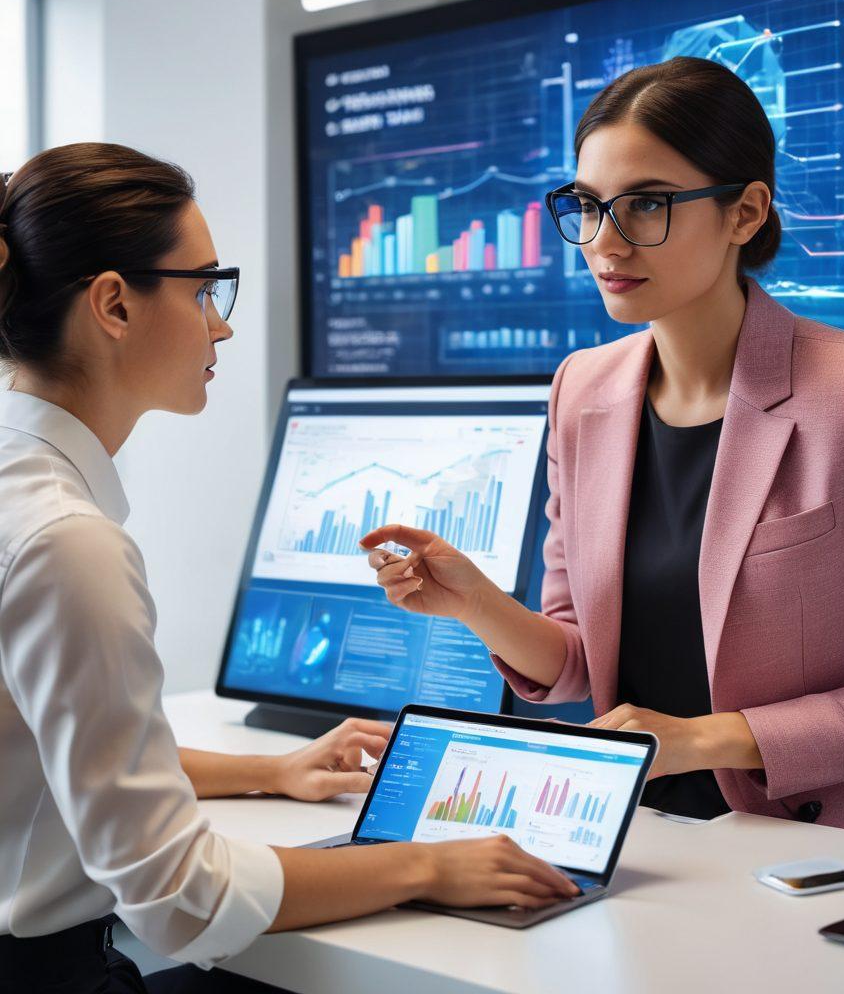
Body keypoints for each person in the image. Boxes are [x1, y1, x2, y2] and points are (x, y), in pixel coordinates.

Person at [0, 144, 578, 994]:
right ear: (114, 304)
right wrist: (427, 868)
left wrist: (271, 772)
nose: (222, 323)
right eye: (205, 289)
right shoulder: (66, 542)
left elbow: (59, 752)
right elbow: (177, 899)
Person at [363, 55, 844, 834]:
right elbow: (583, 661)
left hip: (816, 854)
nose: (605, 243)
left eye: (647, 205)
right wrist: (477, 604)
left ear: (745, 214)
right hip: (635, 838)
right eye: (588, 206)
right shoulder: (581, 389)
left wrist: (707, 740)